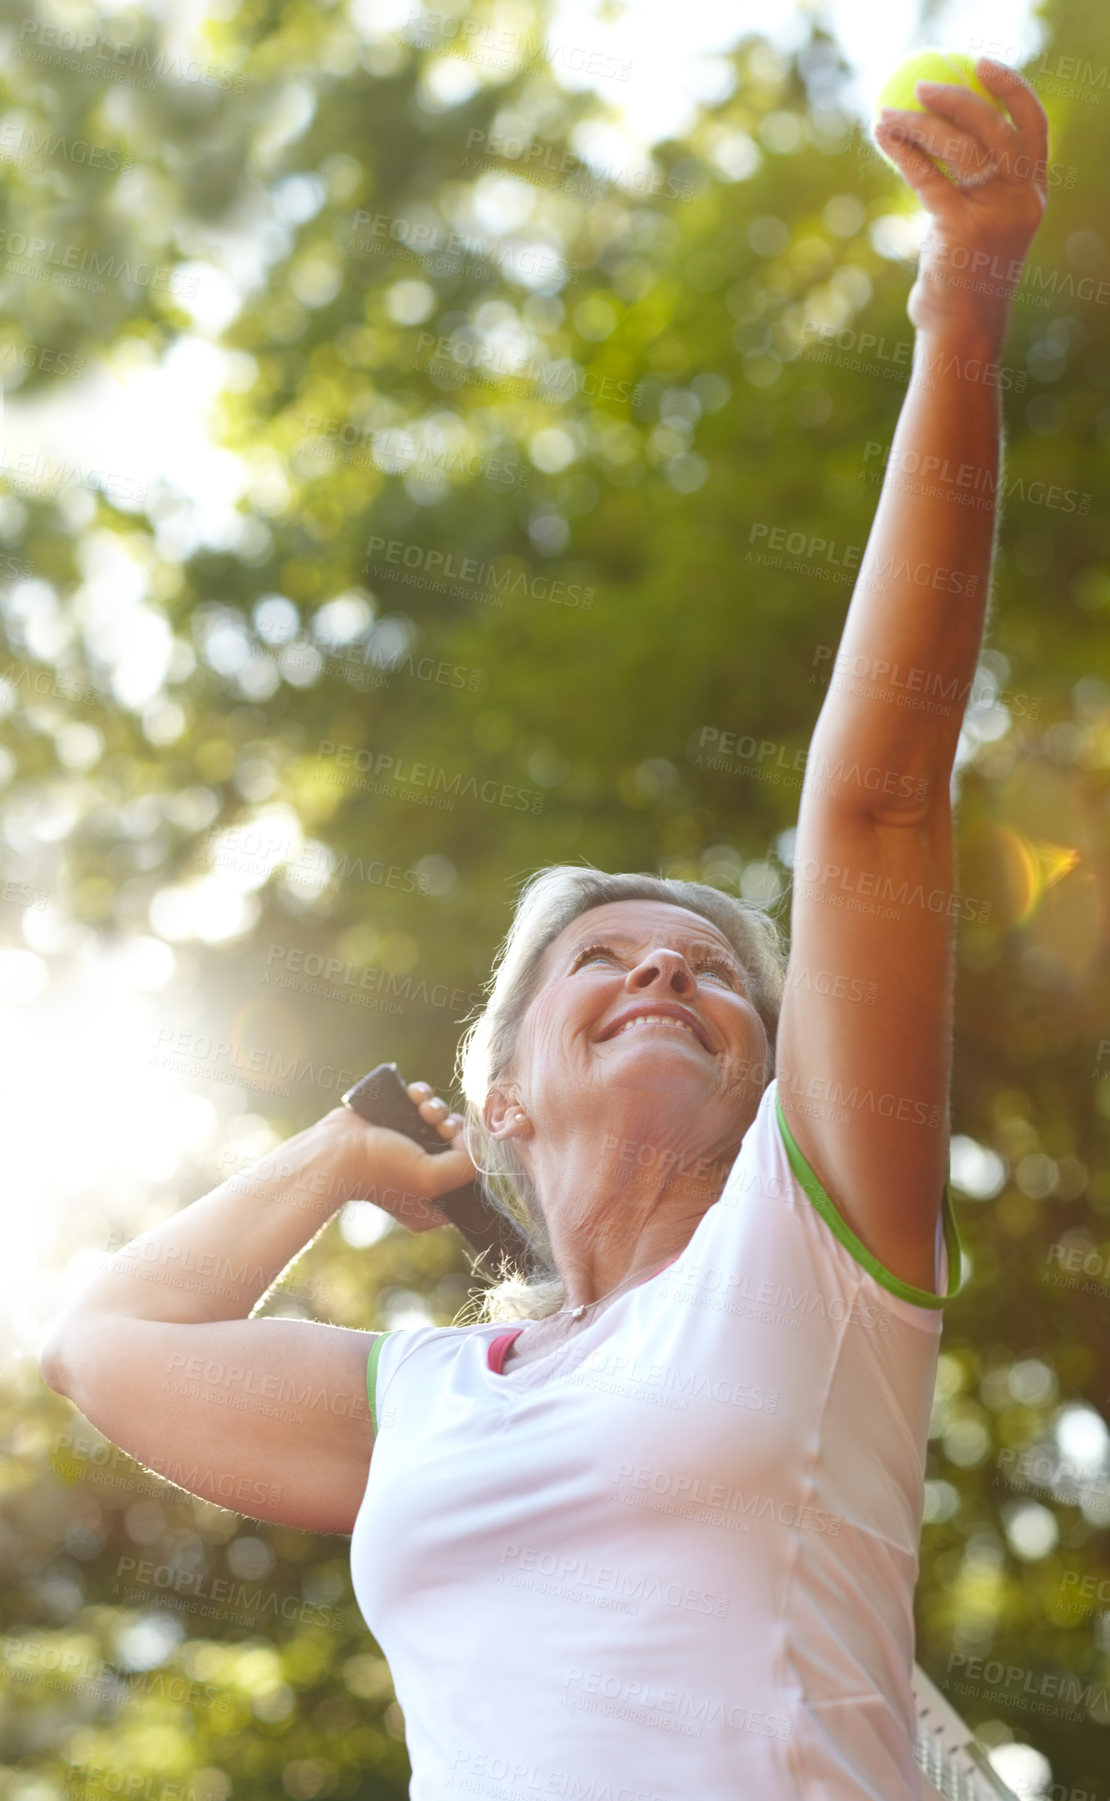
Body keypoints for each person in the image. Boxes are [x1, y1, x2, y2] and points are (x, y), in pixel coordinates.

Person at [41, 54, 1050, 1800]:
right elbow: (102, 1344)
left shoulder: (810, 1257)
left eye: (715, 974)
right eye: (603, 959)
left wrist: (956, 303)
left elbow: (874, 800)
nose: (664, 967)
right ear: (499, 1091)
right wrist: (343, 1166)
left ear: (769, 1088)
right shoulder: (428, 1398)